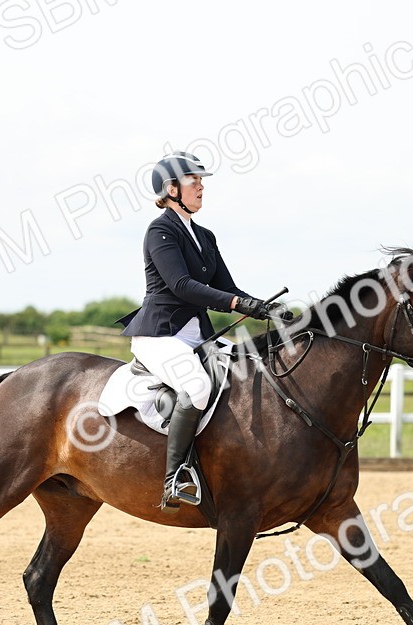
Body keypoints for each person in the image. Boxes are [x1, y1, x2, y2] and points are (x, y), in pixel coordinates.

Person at [117, 151, 290, 512]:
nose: (201, 185)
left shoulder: (205, 236)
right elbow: (181, 285)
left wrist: (265, 307)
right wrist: (239, 306)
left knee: (248, 371)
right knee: (196, 386)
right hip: (160, 336)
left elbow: (228, 286)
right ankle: (174, 478)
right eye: (193, 179)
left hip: (197, 335)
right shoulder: (160, 230)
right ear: (170, 188)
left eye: (202, 180)